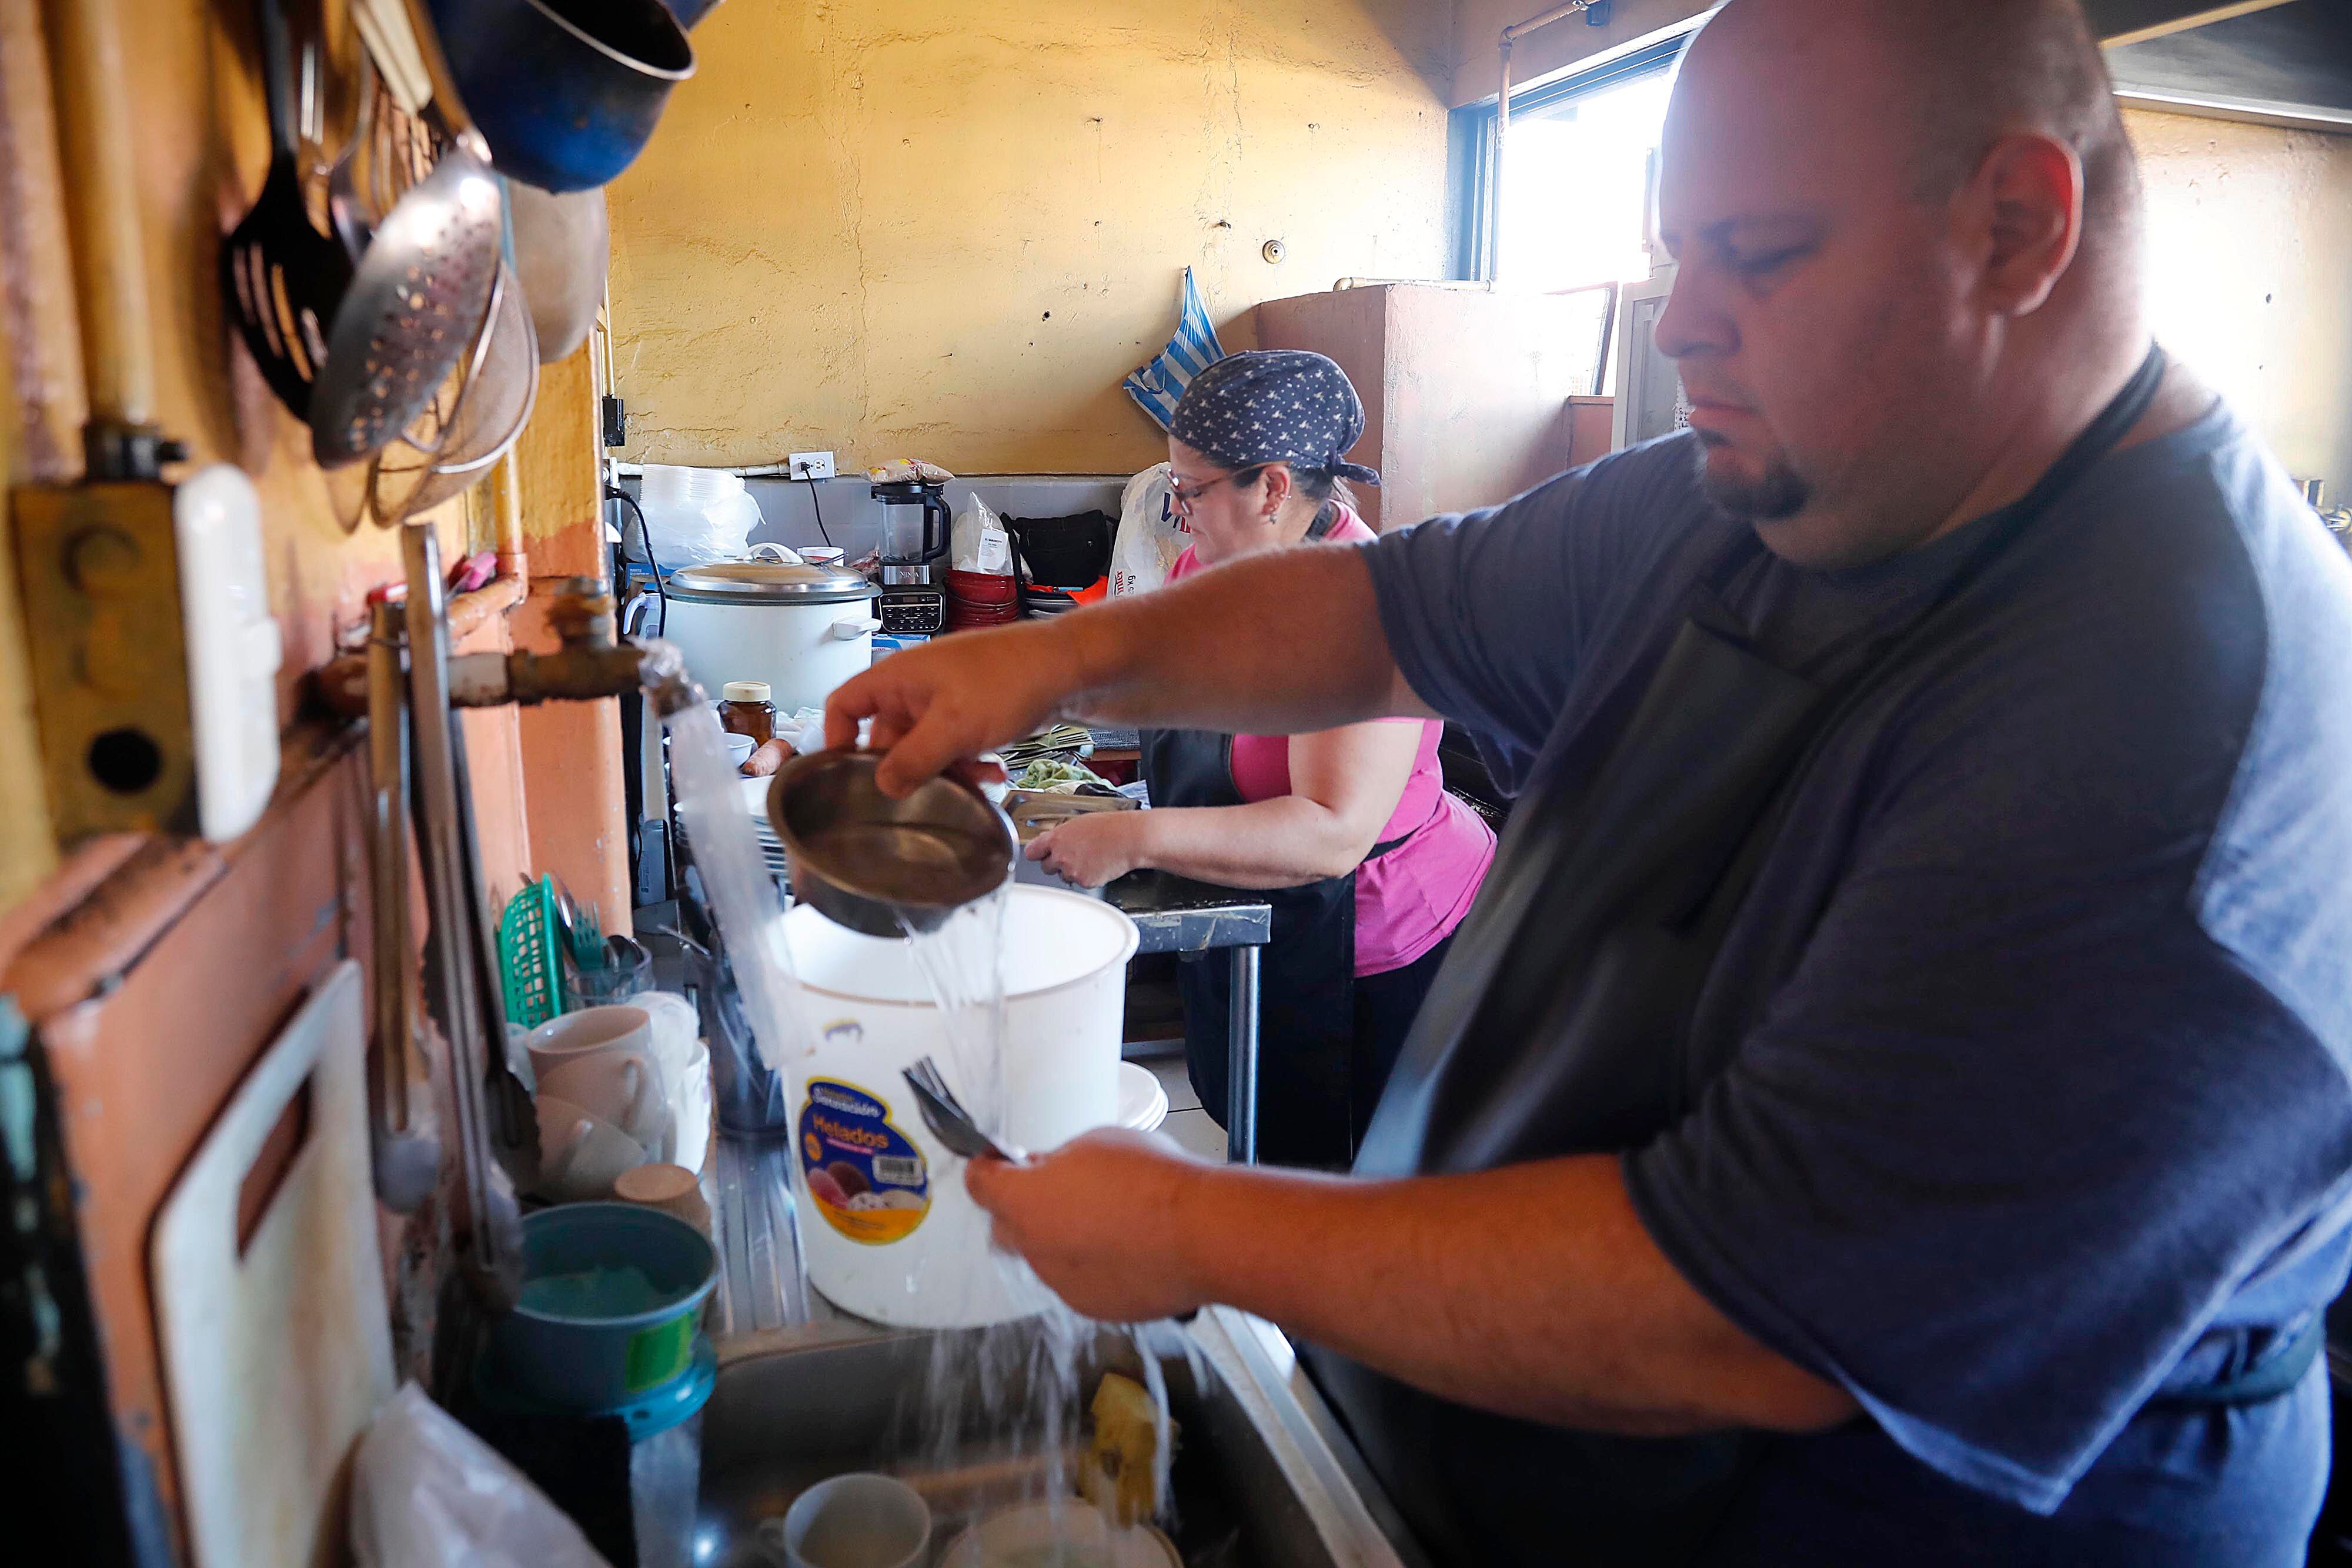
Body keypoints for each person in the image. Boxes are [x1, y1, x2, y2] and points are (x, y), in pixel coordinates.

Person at [825, 0, 2352, 1561]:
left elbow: (1739, 1316)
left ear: (2017, 228)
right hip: (1527, 1466)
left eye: (1755, 252)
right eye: (1676, 250)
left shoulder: (2182, 734)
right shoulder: (1769, 489)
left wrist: (1189, 1224)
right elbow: (1388, 608)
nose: (1680, 320)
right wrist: (1048, 666)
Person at [1025, 350, 1495, 1167]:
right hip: (1257, 919)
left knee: (1344, 1196)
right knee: (1260, 1136)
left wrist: (1135, 839)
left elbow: (1329, 833)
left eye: (1192, 490)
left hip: (1375, 954)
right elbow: (1146, 682)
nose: (1178, 513)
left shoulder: (1360, 614)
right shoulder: (1207, 566)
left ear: (1272, 488)